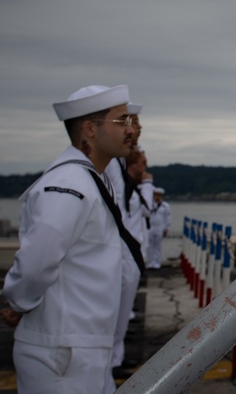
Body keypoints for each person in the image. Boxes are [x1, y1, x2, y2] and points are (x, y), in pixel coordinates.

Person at [2, 84, 137, 394]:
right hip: (61, 349)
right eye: (121, 121)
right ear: (89, 129)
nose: (130, 130)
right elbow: (37, 261)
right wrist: (18, 303)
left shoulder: (88, 180)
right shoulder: (68, 185)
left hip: (80, 347)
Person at [107, 104, 153, 375]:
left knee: (118, 317)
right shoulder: (112, 166)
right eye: (130, 122)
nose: (136, 129)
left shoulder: (118, 166)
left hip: (126, 254)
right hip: (119, 254)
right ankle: (111, 362)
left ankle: (113, 360)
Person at [147, 187, 171, 269]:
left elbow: (168, 218)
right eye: (155, 195)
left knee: (157, 247)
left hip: (160, 228)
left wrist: (166, 229)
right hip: (150, 228)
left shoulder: (165, 206)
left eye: (159, 195)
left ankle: (157, 263)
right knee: (150, 247)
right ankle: (150, 263)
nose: (157, 196)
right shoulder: (149, 204)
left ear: (161, 196)